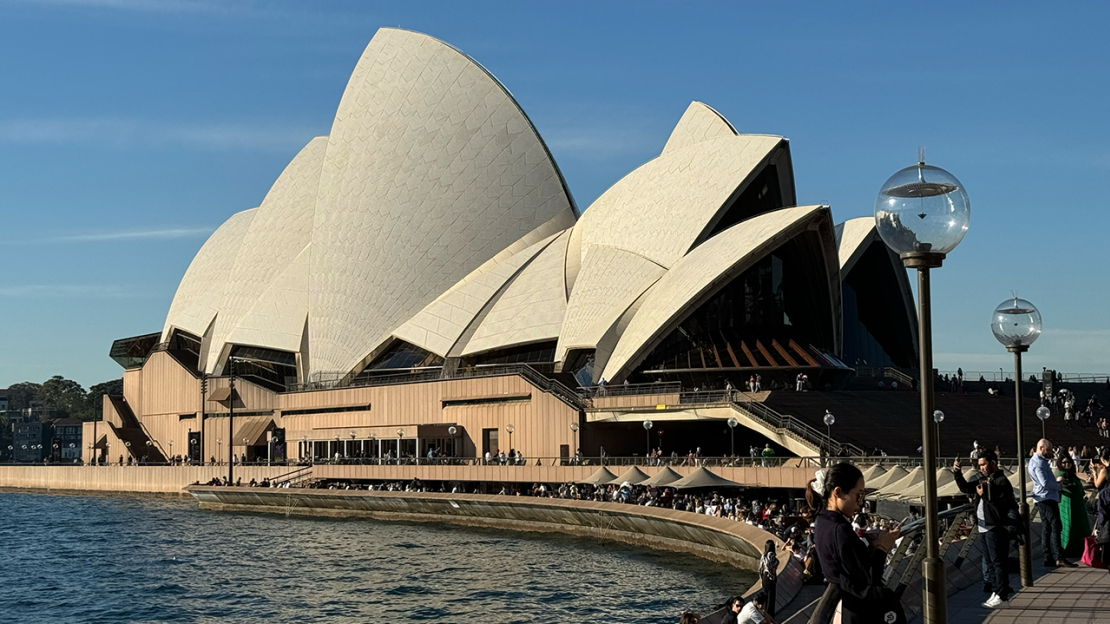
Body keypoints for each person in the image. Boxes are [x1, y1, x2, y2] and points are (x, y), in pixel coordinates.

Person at [808, 463, 902, 623]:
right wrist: (882, 547)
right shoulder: (840, 530)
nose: (860, 503)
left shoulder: (822, 521)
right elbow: (869, 579)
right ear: (838, 492)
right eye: (858, 495)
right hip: (857, 610)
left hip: (842, 604)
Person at [952, 450, 1016, 608]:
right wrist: (957, 472)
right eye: (979, 465)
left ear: (993, 463)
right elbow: (966, 488)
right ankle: (996, 592)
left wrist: (986, 496)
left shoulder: (1002, 481)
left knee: (997, 561)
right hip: (982, 526)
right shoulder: (984, 479)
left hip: (995, 527)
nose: (980, 467)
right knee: (989, 561)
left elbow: (1002, 506)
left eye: (983, 464)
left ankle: (1002, 596)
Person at [1029, 438, 1075, 568]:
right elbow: (1044, 482)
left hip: (1042, 498)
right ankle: (1058, 556)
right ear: (1041, 448)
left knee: (1047, 528)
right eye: (1048, 450)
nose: (1050, 453)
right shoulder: (1038, 463)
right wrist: (1058, 485)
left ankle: (1048, 557)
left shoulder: (1037, 461)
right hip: (1046, 498)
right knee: (1056, 526)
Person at [1055, 454, 1091, 559]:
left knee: (1079, 525)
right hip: (1068, 504)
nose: (1067, 464)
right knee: (1069, 525)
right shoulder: (1062, 474)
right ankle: (1067, 549)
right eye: (1064, 462)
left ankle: (1080, 549)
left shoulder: (1072, 474)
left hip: (1077, 503)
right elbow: (1058, 484)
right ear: (1060, 464)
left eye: (1069, 462)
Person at [758, 539, 778, 616]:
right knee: (771, 597)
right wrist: (772, 575)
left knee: (766, 596)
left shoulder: (763, 555)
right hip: (771, 577)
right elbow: (771, 565)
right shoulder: (771, 555)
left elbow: (760, 568)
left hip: (764, 577)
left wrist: (761, 578)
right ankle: (770, 614)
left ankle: (765, 613)